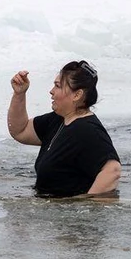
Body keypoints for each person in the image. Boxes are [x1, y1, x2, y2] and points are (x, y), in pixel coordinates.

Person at [7, 60, 121, 197]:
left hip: (70, 216)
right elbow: (20, 131)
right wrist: (19, 94)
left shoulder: (88, 130)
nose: (51, 91)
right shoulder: (58, 119)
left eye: (58, 86)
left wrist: (86, 205)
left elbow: (113, 170)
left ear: (77, 95)